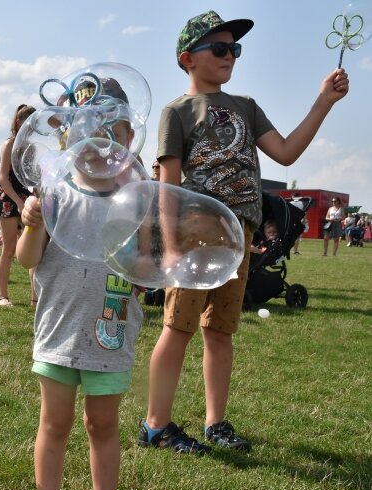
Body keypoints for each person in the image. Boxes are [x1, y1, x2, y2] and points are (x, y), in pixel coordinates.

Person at [140, 10, 349, 455]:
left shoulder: (247, 107)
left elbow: (287, 153)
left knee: (220, 331)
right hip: (195, 234)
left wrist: (323, 103)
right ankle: (156, 424)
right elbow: (167, 185)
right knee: (178, 328)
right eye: (219, 48)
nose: (229, 55)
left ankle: (216, 422)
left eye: (235, 49)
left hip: (239, 236)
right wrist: (171, 246)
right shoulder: (176, 112)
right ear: (187, 58)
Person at [16, 77, 142, 490]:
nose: (98, 143)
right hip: (59, 330)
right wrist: (31, 223)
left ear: (130, 140)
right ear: (68, 139)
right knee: (55, 423)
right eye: (85, 131)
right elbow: (26, 259)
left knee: (103, 425)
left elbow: (146, 269)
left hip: (111, 335)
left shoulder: (136, 203)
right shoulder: (56, 195)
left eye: (112, 132)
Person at [0, 104, 36, 306]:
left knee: (33, 248)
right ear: (19, 122)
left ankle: (35, 297)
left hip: (24, 197)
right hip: (7, 197)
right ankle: (3, 296)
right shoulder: (9, 144)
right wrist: (19, 202)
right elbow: (2, 178)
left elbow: (32, 177)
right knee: (9, 248)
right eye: (29, 121)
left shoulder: (31, 147)